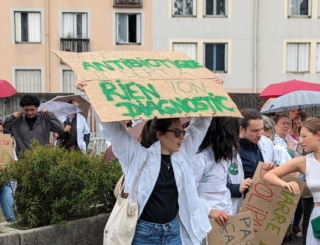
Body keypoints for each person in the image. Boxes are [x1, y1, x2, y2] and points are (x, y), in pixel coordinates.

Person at [75, 76, 224, 245]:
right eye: (176, 132)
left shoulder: (182, 155)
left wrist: (213, 89)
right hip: (143, 235)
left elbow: (199, 125)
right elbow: (114, 131)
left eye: (182, 131)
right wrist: (92, 92)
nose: (182, 136)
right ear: (160, 135)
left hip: (173, 232)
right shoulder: (138, 156)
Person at [264, 117, 320, 245]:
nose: (300, 141)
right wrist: (284, 183)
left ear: (318, 135)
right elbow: (269, 175)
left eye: (304, 136)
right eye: (299, 137)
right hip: (318, 215)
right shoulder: (302, 162)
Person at [192, 117, 239, 233]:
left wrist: (230, 213)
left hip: (222, 222)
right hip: (203, 223)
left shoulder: (221, 155)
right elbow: (187, 191)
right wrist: (209, 210)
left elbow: (222, 189)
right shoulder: (199, 157)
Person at [0, 121, 15, 222]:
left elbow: (14, 163)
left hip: (4, 179)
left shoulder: (6, 144)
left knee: (10, 215)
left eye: (1, 131)